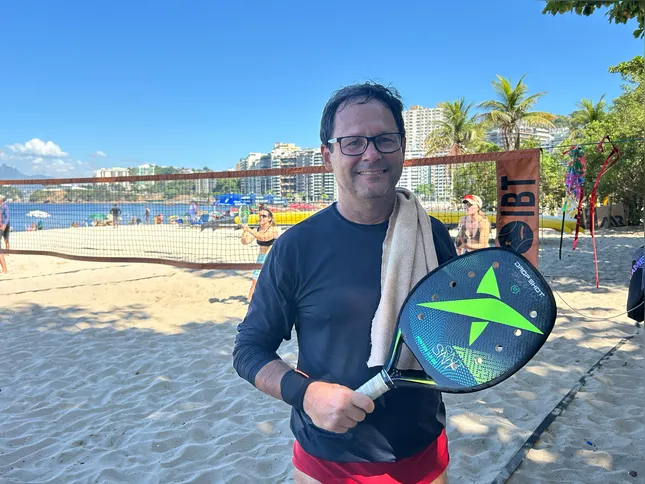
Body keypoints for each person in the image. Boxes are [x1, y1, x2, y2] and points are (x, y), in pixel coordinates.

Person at [233, 82, 457, 483]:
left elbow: (452, 334)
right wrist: (306, 394)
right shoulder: (296, 247)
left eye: (384, 140)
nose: (371, 153)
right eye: (352, 142)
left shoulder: (434, 235)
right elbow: (249, 349)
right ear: (327, 156)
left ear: (402, 148)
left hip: (421, 448)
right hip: (326, 459)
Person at [240, 208, 280, 301]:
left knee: (270, 282)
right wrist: (244, 233)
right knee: (255, 280)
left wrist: (248, 229)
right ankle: (249, 301)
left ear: (270, 218)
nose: (261, 217)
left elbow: (263, 238)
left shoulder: (273, 230)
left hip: (272, 258)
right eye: (260, 216)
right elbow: (245, 241)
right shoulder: (257, 229)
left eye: (264, 216)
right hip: (261, 258)